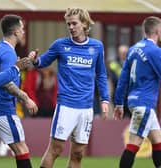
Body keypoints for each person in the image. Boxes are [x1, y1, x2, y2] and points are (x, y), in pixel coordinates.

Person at [30, 8, 109, 168]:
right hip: (66, 105)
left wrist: (105, 99)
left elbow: (101, 74)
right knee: (55, 150)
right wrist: (35, 60)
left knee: (78, 154)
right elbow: (43, 62)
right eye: (68, 24)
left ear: (85, 23)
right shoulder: (60, 45)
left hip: (86, 108)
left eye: (74, 23)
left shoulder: (97, 46)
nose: (71, 27)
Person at [114, 16, 161, 168]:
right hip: (144, 103)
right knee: (133, 145)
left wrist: (119, 103)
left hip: (134, 101)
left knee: (158, 141)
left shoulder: (133, 49)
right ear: (157, 31)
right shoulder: (154, 51)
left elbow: (123, 79)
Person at [0, 14, 38, 168]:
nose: (24, 32)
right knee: (21, 149)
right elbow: (6, 82)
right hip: (2, 108)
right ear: (16, 32)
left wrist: (22, 64)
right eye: (23, 29)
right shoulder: (8, 53)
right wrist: (26, 98)